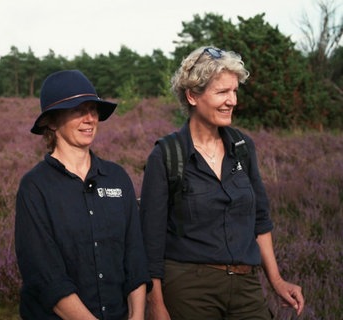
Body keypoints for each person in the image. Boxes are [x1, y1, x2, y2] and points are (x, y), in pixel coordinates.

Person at [139, 46, 305, 320]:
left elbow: (260, 221)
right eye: (222, 92)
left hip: (246, 286)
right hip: (188, 288)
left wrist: (276, 281)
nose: (232, 101)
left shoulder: (242, 146)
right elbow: (151, 240)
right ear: (192, 95)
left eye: (234, 91)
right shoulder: (167, 154)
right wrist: (157, 306)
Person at [15, 69, 151, 319]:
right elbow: (46, 277)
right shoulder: (34, 187)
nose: (90, 118)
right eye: (78, 110)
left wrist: (137, 316)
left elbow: (135, 258)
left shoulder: (117, 178)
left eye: (93, 109)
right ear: (52, 122)